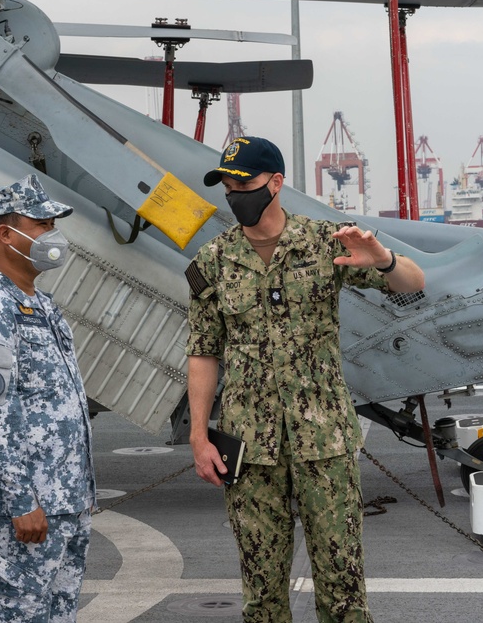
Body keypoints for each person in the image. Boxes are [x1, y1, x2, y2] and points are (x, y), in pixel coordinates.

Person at [185, 137, 425, 623]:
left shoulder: (327, 242)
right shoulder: (213, 260)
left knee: (343, 588)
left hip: (326, 440)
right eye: (227, 186)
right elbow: (203, 352)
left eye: (244, 184)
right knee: (261, 593)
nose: (234, 195)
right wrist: (197, 436)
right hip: (248, 445)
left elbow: (414, 285)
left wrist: (382, 259)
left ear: (276, 183)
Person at [0, 174, 97, 623]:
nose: (53, 235)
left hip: (65, 499)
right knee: (21, 613)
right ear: (7, 235)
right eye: (42, 223)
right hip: (28, 506)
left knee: (59, 613)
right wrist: (21, 500)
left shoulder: (40, 304)